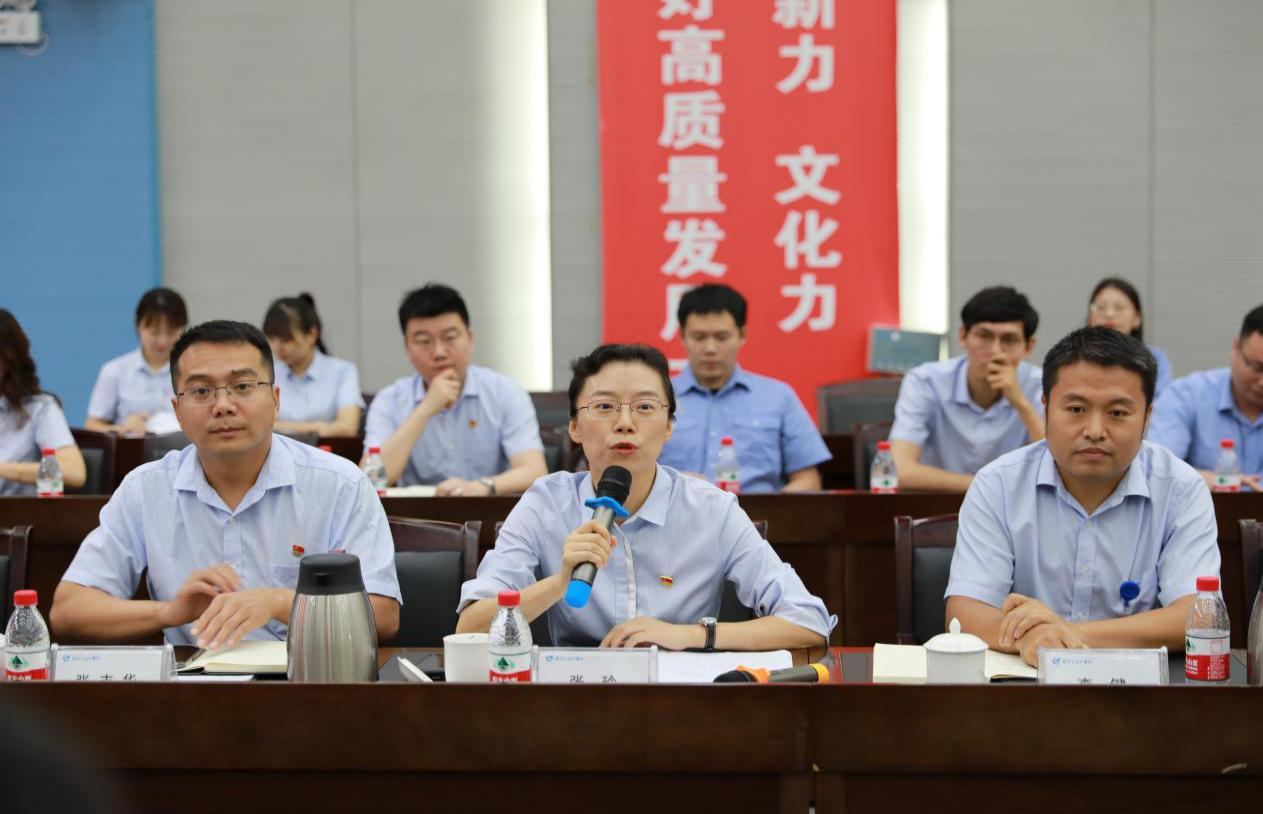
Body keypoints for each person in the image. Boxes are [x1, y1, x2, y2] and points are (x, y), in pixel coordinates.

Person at [455, 343, 834, 650]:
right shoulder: (545, 503)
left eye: (645, 407)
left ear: (669, 427)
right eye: (604, 407)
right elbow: (470, 627)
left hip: (684, 699)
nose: (625, 422)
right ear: (573, 427)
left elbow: (808, 621)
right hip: (578, 697)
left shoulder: (712, 510)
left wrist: (690, 635)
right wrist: (558, 581)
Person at [50, 320, 400, 647]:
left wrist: (280, 603)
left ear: (275, 400)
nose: (222, 405)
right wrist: (169, 612)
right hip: (191, 683)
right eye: (201, 390)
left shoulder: (340, 484)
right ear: (177, 411)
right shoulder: (145, 489)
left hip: (304, 678)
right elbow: (68, 611)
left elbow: (384, 615)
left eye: (242, 387)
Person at [946, 327, 1219, 666]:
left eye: (1117, 413)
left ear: (1147, 418)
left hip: (1139, 691)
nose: (1094, 431)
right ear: (1045, 408)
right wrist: (1030, 639)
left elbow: (1200, 616)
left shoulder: (1181, 488)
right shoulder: (998, 484)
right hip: (1023, 686)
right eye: (1076, 409)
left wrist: (1060, 635)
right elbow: (965, 612)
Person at [363, 284, 547, 496]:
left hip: (488, 509)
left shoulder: (505, 392)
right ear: (407, 348)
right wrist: (426, 408)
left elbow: (534, 471)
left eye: (450, 337)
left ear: (470, 338)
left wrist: (483, 486)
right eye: (424, 341)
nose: (439, 352)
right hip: (414, 514)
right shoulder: (389, 400)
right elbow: (370, 479)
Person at [657, 283, 830, 492]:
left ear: (742, 334)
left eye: (722, 337)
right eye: (699, 337)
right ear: (682, 335)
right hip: (677, 508)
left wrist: (772, 509)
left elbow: (808, 479)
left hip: (756, 511)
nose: (710, 348)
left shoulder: (778, 397)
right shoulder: (658, 398)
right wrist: (669, 483)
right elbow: (634, 472)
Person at [889, 286, 1044, 492]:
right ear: (963, 336)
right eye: (984, 336)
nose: (995, 350)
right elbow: (899, 471)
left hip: (1015, 508)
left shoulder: (1041, 384)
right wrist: (988, 488)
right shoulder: (925, 381)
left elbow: (1059, 465)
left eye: (1009, 340)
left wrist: (1020, 402)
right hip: (938, 503)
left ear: (1028, 346)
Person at [1148, 304, 1263, 492]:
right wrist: (1210, 480)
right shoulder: (1186, 396)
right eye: (1257, 368)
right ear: (1236, 347)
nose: (1262, 382)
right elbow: (1156, 467)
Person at [0, 310, 86, 495]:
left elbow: (74, 471)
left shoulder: (39, 409)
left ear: (8, 359)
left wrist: (4, 469)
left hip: (16, 511)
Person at [85, 287, 189, 435]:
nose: (163, 341)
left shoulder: (193, 369)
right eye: (154, 332)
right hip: (134, 448)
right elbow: (92, 425)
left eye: (171, 333)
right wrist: (123, 428)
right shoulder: (114, 371)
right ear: (138, 324)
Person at [262, 293, 363, 437]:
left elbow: (347, 427)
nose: (277, 347)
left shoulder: (342, 371)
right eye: (272, 339)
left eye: (286, 340)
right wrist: (319, 427)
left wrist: (278, 427)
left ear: (311, 335)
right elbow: (257, 425)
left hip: (326, 450)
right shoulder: (268, 373)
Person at [1085, 277, 1173, 397]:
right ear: (1089, 317)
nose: (1109, 314)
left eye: (1119, 307)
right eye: (1101, 307)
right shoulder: (1075, 358)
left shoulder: (1156, 359)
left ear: (1137, 318)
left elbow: (1160, 402)